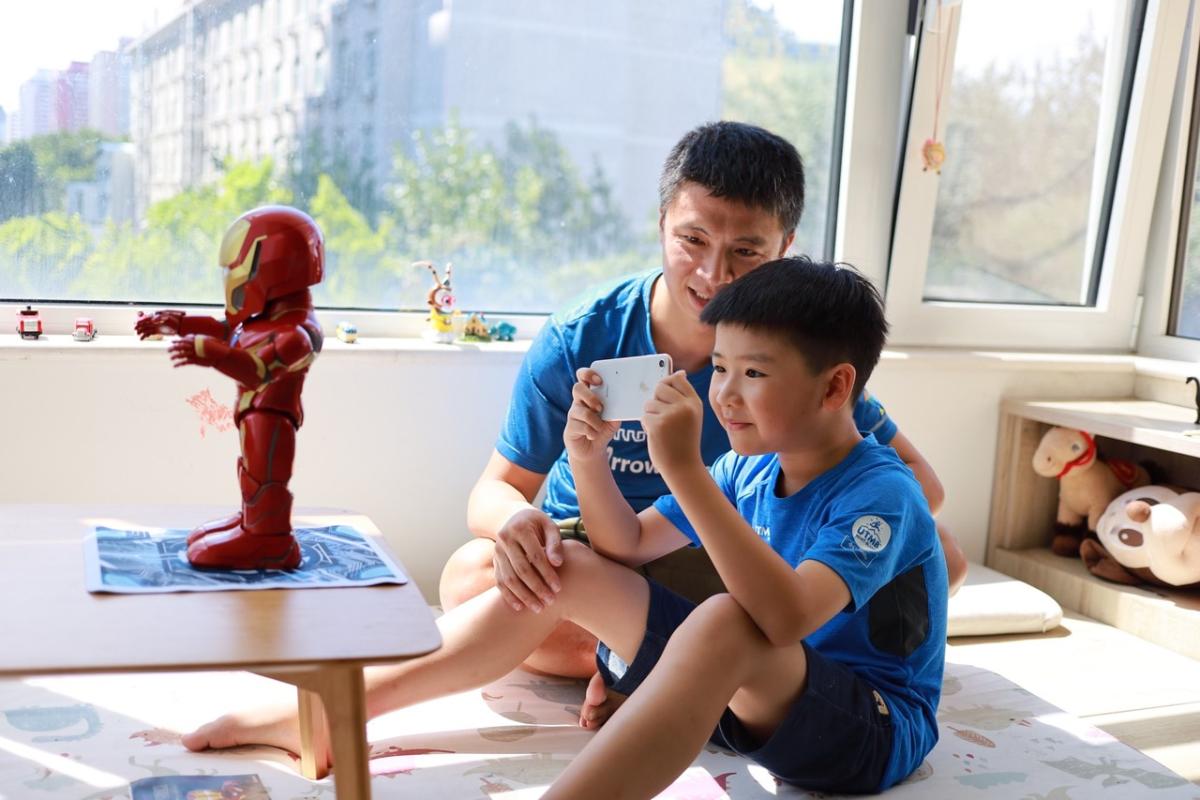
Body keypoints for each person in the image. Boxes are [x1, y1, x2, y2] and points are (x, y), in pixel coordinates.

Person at [182, 257, 947, 798]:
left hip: (868, 726)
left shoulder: (883, 491)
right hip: (764, 696)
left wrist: (681, 467)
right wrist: (587, 458)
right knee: (567, 565)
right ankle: (327, 718)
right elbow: (628, 547)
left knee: (727, 623)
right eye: (720, 367)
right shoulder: (753, 466)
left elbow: (781, 619)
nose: (724, 394)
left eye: (754, 372)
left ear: (836, 386)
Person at [439, 121, 966, 710]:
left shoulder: (794, 360)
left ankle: (651, 658)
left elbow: (921, 490)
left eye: (747, 251)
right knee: (470, 577)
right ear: (661, 223)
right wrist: (516, 523)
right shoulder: (584, 334)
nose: (716, 274)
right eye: (692, 240)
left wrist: (792, 525)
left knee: (936, 552)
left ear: (784, 246)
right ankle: (669, 661)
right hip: (605, 548)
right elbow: (498, 489)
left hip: (723, 561)